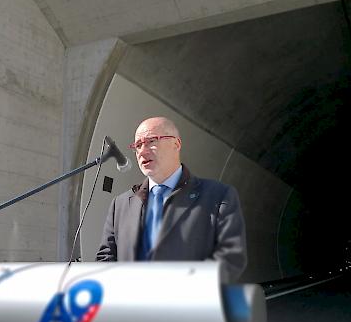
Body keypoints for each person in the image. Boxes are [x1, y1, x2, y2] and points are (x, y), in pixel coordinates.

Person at [96, 116, 247, 282]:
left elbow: (231, 258)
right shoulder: (121, 204)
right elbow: (106, 259)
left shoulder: (218, 196)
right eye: (138, 145)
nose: (143, 151)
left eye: (152, 141)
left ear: (176, 144)